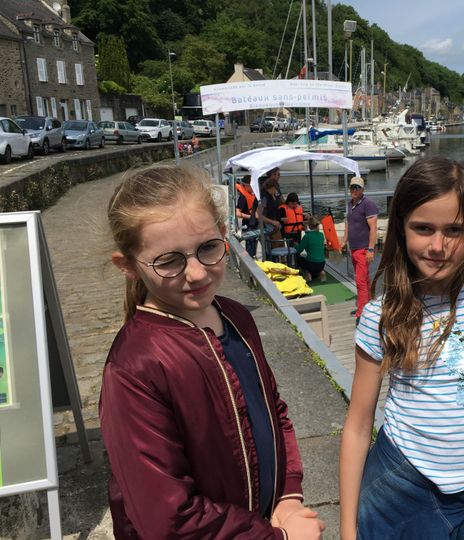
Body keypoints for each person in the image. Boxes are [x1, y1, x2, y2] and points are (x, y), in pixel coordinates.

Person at [100, 165, 324, 539]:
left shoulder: (236, 317)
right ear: (128, 267)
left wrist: (288, 495)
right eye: (169, 261)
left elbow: (274, 411)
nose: (197, 273)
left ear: (223, 235)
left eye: (207, 248)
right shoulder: (134, 367)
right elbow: (168, 518)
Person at [339, 157, 464, 540]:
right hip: (400, 485)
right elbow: (358, 427)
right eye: (423, 228)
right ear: (401, 229)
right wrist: (348, 530)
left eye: (454, 230)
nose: (438, 246)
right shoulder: (381, 313)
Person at [340, 177, 378, 320]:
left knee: (361, 281)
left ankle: (362, 312)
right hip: (354, 248)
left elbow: (373, 228)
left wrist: (370, 249)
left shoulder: (368, 204)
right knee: (364, 280)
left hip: (363, 249)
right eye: (352, 187)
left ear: (362, 189)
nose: (354, 190)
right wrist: (344, 240)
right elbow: (349, 224)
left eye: (357, 187)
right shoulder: (350, 204)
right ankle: (367, 306)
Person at [235, 174, 260, 258]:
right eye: (251, 186)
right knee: (250, 246)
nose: (253, 187)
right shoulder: (242, 198)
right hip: (248, 225)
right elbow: (237, 213)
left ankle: (253, 258)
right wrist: (251, 217)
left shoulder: (252, 195)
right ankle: (249, 262)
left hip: (255, 224)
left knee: (254, 245)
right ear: (245, 186)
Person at [295, 215, 326, 282]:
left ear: (309, 226)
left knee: (299, 258)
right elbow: (313, 238)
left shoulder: (307, 237)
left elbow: (299, 250)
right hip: (322, 264)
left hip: (311, 264)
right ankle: (320, 272)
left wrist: (295, 245)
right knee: (314, 268)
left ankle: (307, 273)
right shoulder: (321, 235)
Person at [260, 168, 284, 248]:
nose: (276, 192)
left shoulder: (275, 191)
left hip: (275, 222)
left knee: (280, 244)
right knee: (274, 246)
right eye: (278, 174)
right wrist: (273, 222)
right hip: (268, 224)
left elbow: (281, 200)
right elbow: (259, 215)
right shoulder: (264, 197)